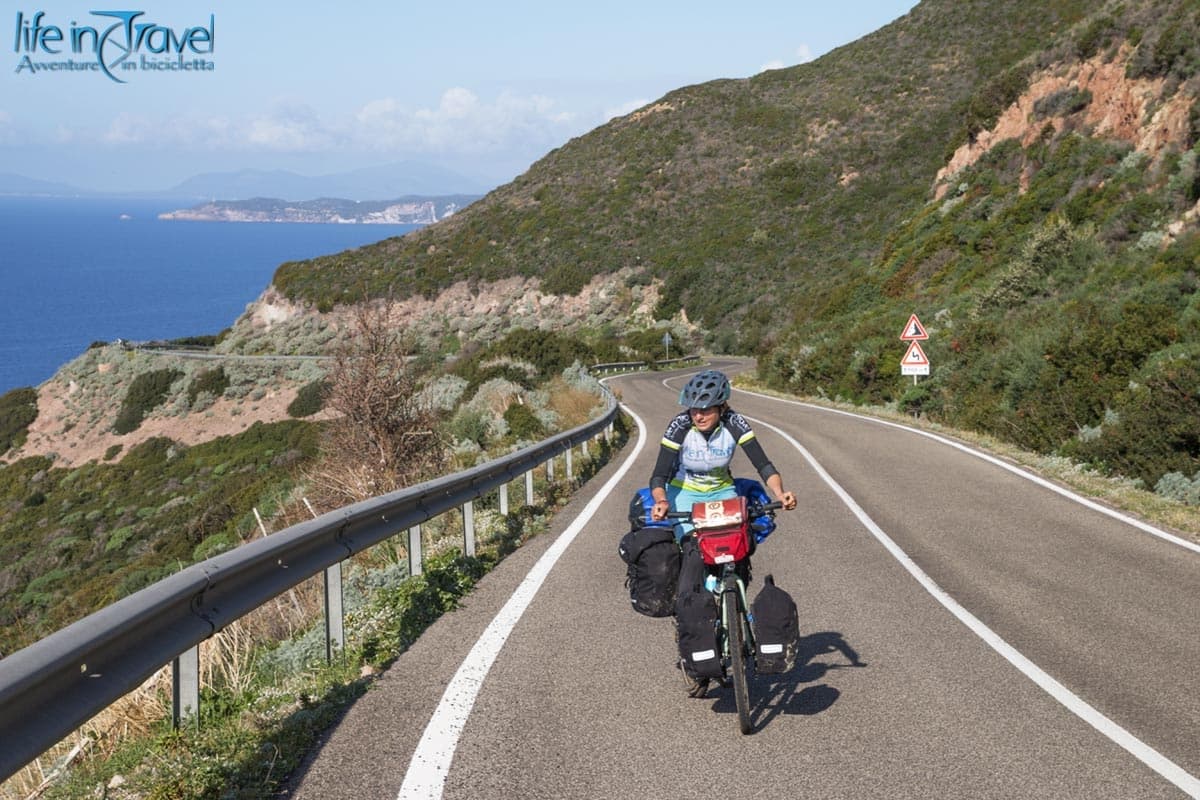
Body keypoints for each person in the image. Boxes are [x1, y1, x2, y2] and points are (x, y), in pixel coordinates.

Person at [648, 368, 797, 696]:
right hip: (683, 493)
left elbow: (764, 464)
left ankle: (734, 602)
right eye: (694, 408)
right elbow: (659, 475)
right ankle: (691, 645)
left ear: (722, 408)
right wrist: (660, 502)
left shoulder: (735, 424)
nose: (699, 415)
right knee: (693, 560)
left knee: (738, 550)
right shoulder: (679, 425)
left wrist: (780, 493)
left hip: (721, 493)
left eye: (707, 409)